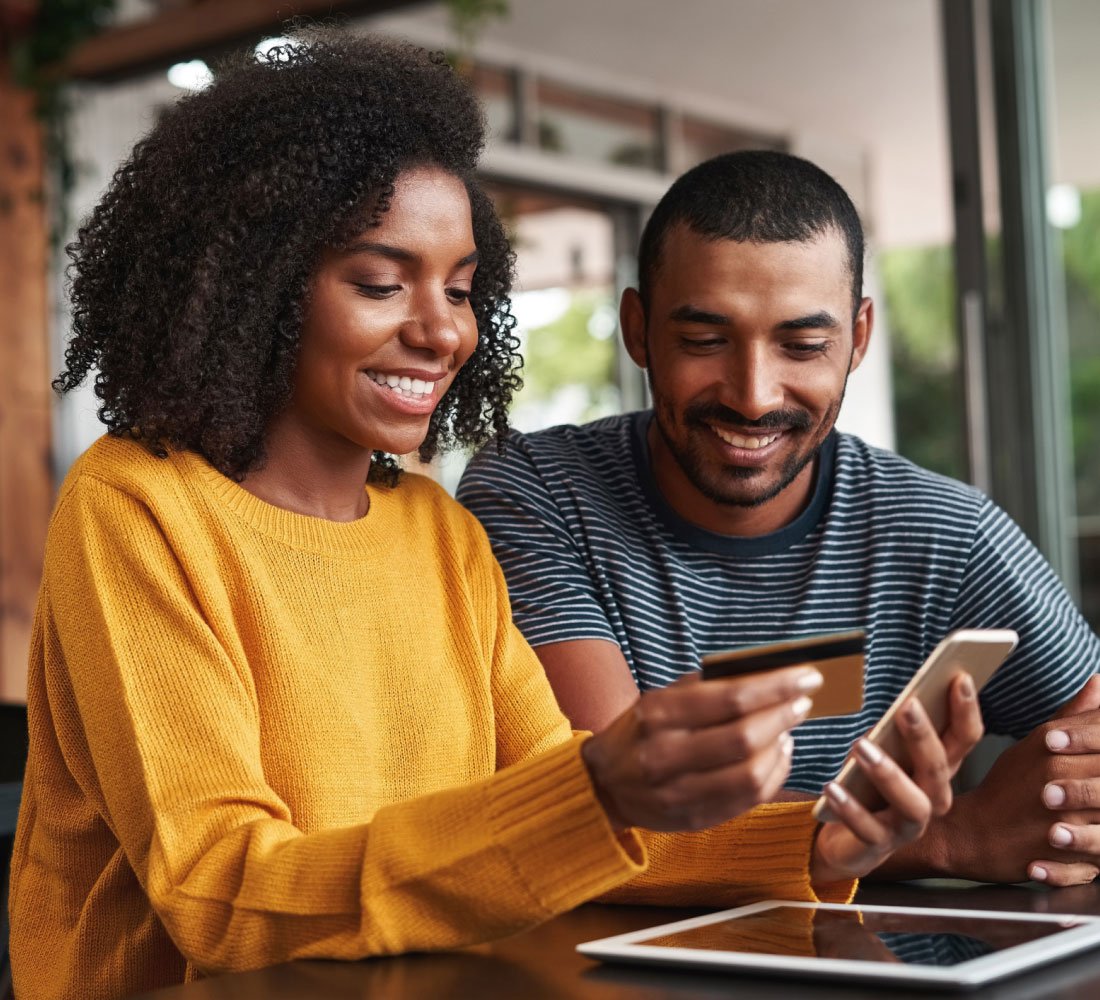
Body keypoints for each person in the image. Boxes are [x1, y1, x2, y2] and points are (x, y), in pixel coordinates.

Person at [7, 34, 979, 1000]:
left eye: (462, 289)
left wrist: (812, 838)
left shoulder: (437, 530)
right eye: (382, 283)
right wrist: (594, 792)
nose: (441, 330)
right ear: (254, 287)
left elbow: (566, 823)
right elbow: (221, 898)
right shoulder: (137, 505)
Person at [457, 149, 1100, 888]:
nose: (754, 395)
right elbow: (617, 812)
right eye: (704, 340)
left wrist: (1059, 803)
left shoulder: (944, 535)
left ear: (858, 339)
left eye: (803, 345)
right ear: (638, 329)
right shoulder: (538, 494)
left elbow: (1087, 732)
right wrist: (951, 839)